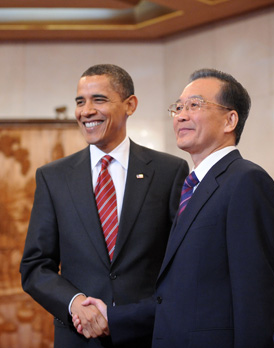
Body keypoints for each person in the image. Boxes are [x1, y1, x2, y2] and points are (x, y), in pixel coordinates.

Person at [74, 68, 274, 348]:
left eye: (194, 105)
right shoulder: (192, 186)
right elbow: (177, 298)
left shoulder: (246, 181)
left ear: (230, 120)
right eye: (178, 107)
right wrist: (112, 316)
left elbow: (256, 299)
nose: (181, 115)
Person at [20, 64, 189, 348]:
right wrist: (75, 304)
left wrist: (129, 316)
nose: (86, 111)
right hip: (79, 337)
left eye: (98, 100)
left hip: (148, 335)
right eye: (79, 102)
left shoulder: (169, 172)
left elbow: (181, 264)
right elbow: (36, 266)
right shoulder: (53, 177)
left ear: (130, 105)